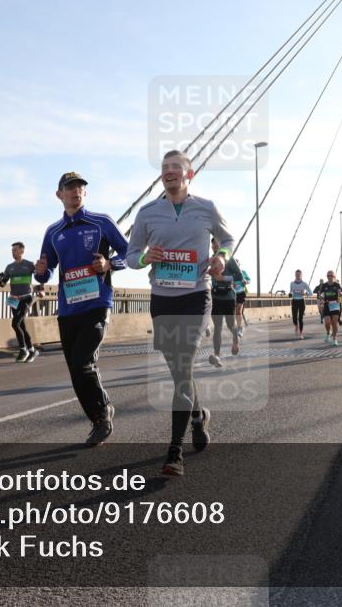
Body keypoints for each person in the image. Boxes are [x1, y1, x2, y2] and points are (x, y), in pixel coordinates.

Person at [128, 150, 234, 477]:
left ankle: (175, 452)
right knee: (179, 372)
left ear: (190, 175)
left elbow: (227, 239)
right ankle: (199, 415)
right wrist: (147, 258)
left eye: (177, 168)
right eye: (165, 168)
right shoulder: (147, 213)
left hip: (195, 297)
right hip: (162, 300)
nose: (170, 172)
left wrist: (221, 257)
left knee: (184, 362)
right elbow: (131, 256)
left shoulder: (206, 208)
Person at [34, 172, 128, 447]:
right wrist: (41, 272)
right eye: (69, 187)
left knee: (82, 361)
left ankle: (102, 415)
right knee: (75, 369)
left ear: (85, 194)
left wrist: (110, 265)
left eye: (80, 188)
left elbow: (128, 252)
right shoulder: (53, 232)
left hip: (97, 304)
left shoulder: (101, 222)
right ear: (59, 194)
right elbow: (45, 271)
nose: (76, 191)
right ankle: (99, 414)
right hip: (67, 309)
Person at [0, 242, 40, 362]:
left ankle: (23, 350)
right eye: (12, 251)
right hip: (13, 299)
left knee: (15, 324)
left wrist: (42, 290)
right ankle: (32, 350)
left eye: (15, 250)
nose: (13, 252)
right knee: (21, 326)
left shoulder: (29, 265)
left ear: (21, 251)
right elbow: (3, 284)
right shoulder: (9, 267)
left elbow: (40, 277)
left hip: (26, 297)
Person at [209, 237, 244, 364]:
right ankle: (217, 355)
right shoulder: (211, 259)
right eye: (212, 246)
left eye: (216, 245)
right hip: (216, 296)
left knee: (230, 325)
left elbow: (239, 276)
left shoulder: (229, 259)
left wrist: (224, 278)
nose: (214, 248)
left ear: (221, 245)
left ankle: (235, 341)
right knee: (217, 327)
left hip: (229, 296)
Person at [318, 271, 342, 346]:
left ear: (334, 277)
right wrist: (322, 301)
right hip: (327, 305)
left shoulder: (338, 285)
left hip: (336, 305)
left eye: (331, 276)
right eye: (328, 276)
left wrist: (340, 297)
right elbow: (321, 296)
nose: (330, 277)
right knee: (327, 322)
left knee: (334, 322)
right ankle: (328, 333)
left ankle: (335, 339)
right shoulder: (324, 285)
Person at [289, 270, 313, 339]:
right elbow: (290, 291)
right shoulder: (292, 283)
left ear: (301, 275)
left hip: (301, 301)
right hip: (294, 301)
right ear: (295, 275)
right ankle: (296, 326)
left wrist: (305, 294)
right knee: (294, 318)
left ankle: (301, 334)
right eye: (297, 275)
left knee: (300, 318)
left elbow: (311, 293)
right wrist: (290, 294)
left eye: (299, 275)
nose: (298, 276)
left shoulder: (304, 284)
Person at [234, 268, 250, 336]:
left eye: (237, 263)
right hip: (232, 293)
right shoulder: (230, 272)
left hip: (241, 293)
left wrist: (246, 281)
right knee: (236, 312)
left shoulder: (243, 272)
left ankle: (239, 329)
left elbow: (248, 280)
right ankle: (239, 326)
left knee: (239, 310)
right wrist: (231, 284)